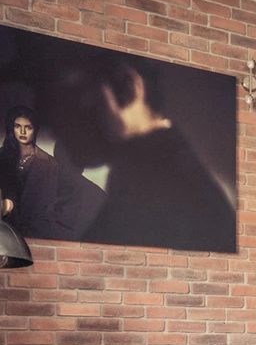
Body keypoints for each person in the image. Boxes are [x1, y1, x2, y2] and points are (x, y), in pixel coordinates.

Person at [76, 60, 237, 253]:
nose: (89, 111)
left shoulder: (145, 169)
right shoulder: (170, 158)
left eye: (97, 99)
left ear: (131, 84)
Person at [0, 106, 106, 242]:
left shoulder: (48, 164)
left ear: (35, 130)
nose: (23, 132)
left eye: (28, 127)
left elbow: (62, 199)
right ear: (11, 128)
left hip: (30, 235)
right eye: (18, 126)